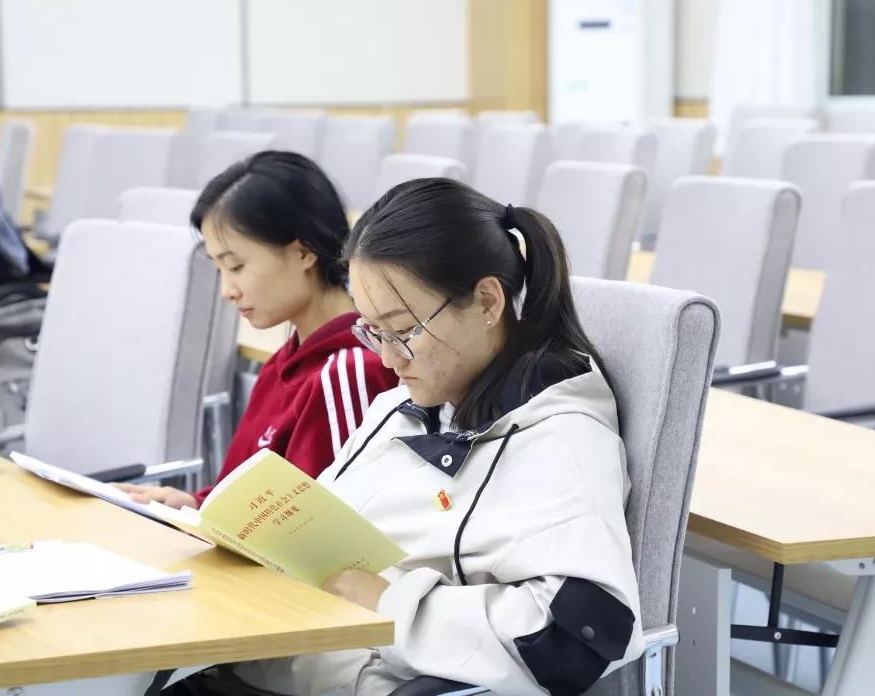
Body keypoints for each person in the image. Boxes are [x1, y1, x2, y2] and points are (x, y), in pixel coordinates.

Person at [182, 178, 644, 695]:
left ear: (487, 302)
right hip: (261, 660)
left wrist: (387, 602)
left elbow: (575, 639)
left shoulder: (562, 441)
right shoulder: (407, 404)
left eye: (402, 330)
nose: (386, 358)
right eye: (372, 331)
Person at [117, 152, 399, 510]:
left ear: (303, 253)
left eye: (236, 266)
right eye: (219, 269)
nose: (227, 291)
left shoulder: (348, 374)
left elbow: (323, 527)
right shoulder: (288, 361)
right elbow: (250, 504)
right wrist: (193, 504)